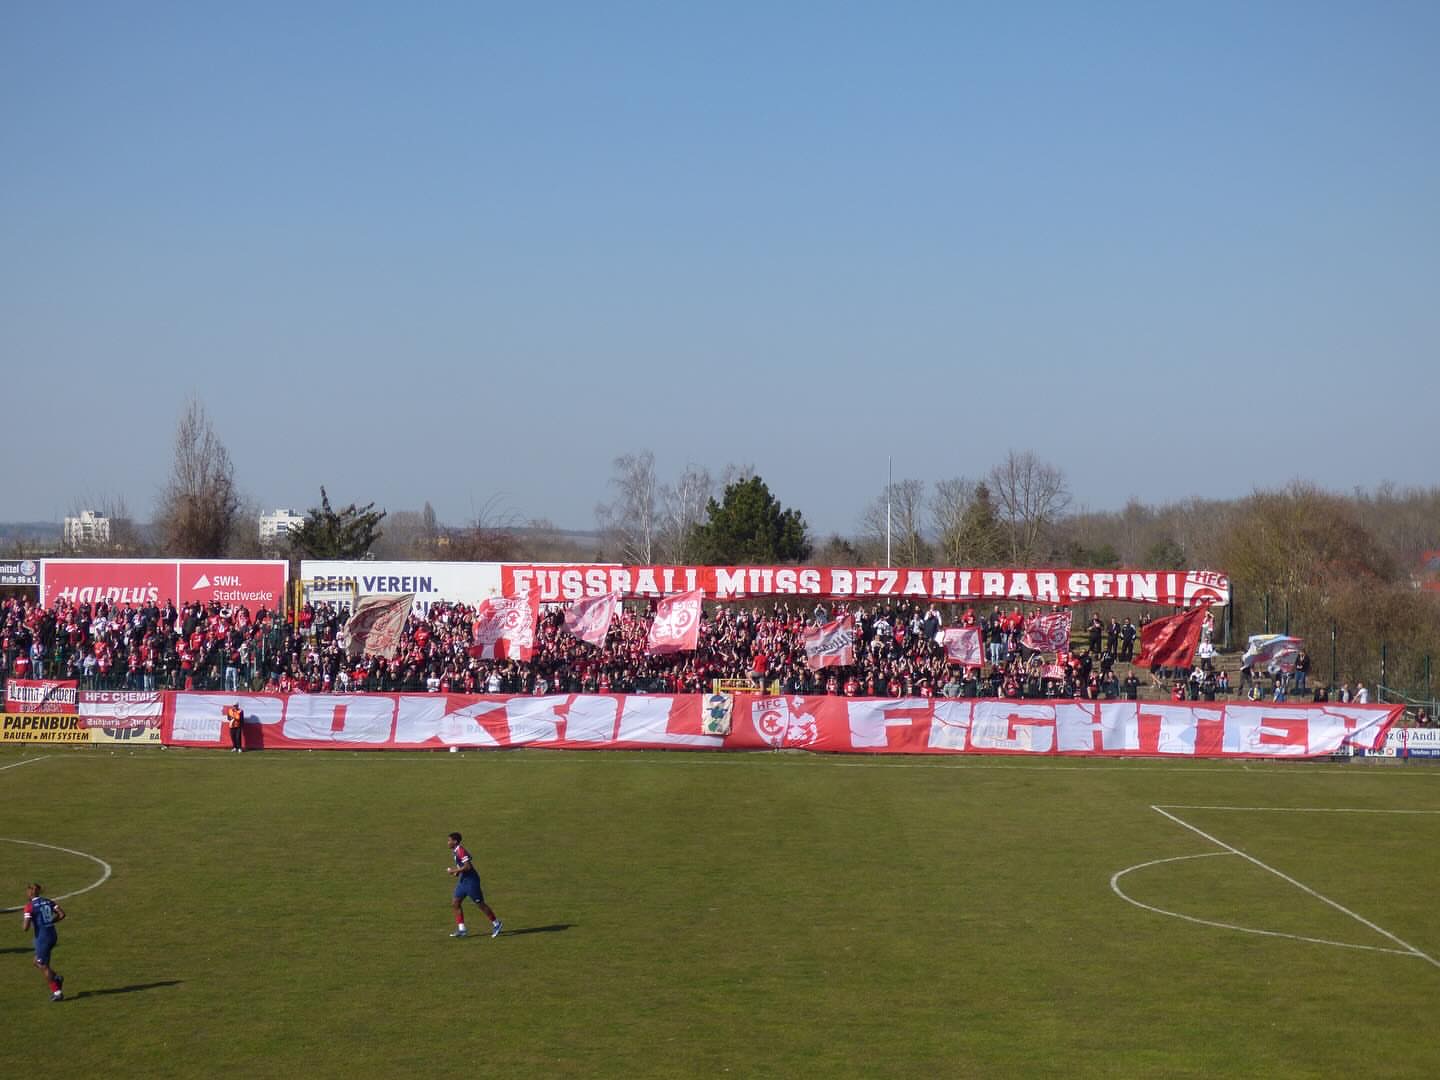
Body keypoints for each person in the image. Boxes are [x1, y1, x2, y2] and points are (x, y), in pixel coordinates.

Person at [446, 832, 502, 939]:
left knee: (480, 904)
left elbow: (468, 867)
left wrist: (455, 870)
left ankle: (496, 923)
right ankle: (462, 929)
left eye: (449, 840)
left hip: (472, 882)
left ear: (455, 841)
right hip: (463, 881)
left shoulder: (460, 850)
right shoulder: (455, 851)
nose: (448, 843)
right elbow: (463, 864)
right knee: (455, 903)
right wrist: (457, 873)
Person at [22, 883, 66, 1002]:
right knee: (36, 961)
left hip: (42, 938)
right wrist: (51, 921)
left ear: (31, 892)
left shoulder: (29, 906)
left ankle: (57, 992)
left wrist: (27, 920)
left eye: (27, 891)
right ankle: (56, 978)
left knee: (43, 965)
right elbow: (62, 914)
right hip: (52, 935)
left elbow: (25, 928)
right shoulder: (48, 901)